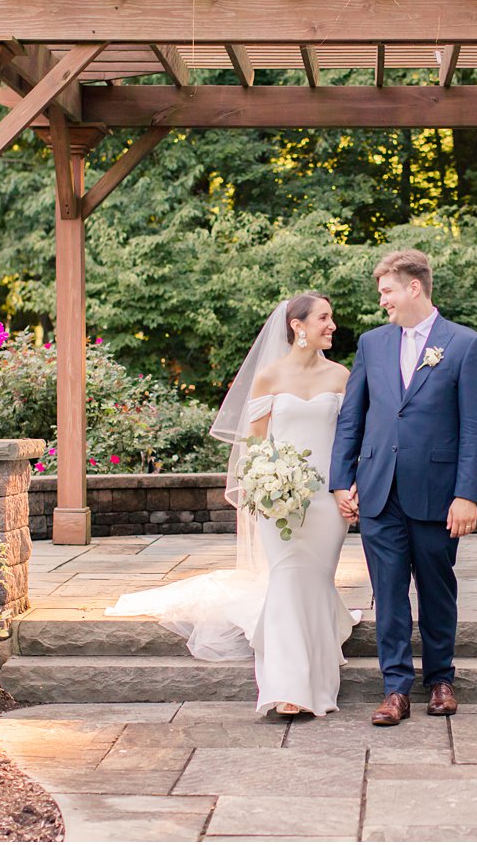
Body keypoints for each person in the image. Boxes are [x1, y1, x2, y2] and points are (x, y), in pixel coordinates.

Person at [109, 293, 358, 716]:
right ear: (297, 326)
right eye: (324, 317)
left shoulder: (342, 377)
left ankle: (318, 679)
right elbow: (255, 446)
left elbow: (350, 440)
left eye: (330, 318)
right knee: (286, 580)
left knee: (315, 581)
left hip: (325, 502)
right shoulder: (269, 377)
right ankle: (288, 687)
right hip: (280, 498)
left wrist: (348, 487)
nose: (332, 325)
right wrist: (267, 485)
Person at [329, 249, 477, 727]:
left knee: (438, 589)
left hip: (438, 494)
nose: (382, 301)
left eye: (387, 291)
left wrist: (467, 494)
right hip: (379, 489)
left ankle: (441, 679)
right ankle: (395, 688)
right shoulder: (371, 344)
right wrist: (342, 480)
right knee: (388, 590)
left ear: (413, 287)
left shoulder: (464, 345)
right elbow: (352, 417)